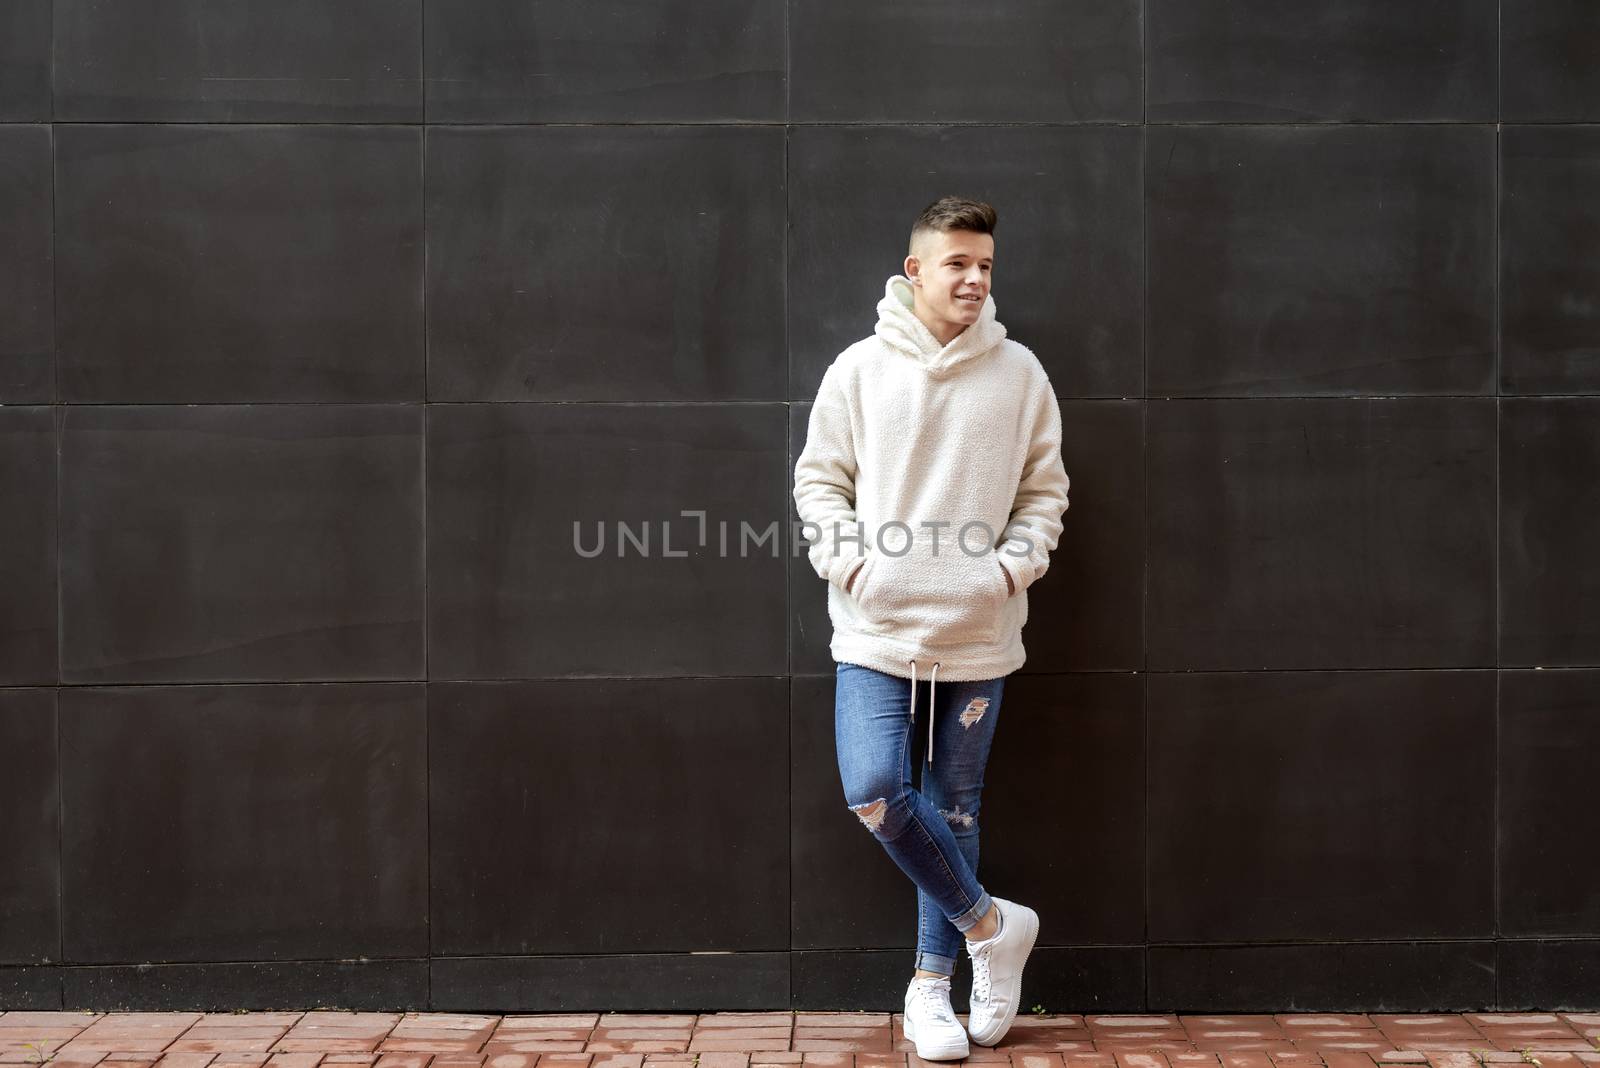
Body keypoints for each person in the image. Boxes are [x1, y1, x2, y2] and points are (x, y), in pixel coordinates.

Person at [791, 195, 1071, 1061]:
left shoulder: (1020, 374)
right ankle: (993, 925)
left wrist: (1005, 573)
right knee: (875, 787)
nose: (975, 280)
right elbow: (818, 483)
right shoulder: (859, 370)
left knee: (954, 807)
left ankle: (930, 990)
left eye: (985, 265)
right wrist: (855, 566)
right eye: (957, 264)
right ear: (916, 270)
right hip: (875, 630)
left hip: (979, 631)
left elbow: (1045, 494)